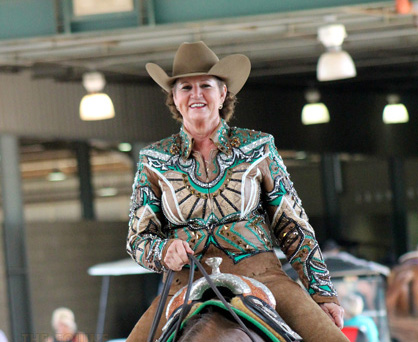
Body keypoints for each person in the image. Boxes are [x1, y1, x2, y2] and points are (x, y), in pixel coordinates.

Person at [126, 41, 348, 342]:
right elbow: (137, 239)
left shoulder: (258, 147)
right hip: (182, 283)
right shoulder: (153, 160)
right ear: (174, 98)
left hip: (263, 276)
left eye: (205, 85)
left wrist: (323, 295)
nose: (196, 95)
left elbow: (292, 225)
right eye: (185, 88)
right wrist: (163, 250)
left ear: (223, 94)